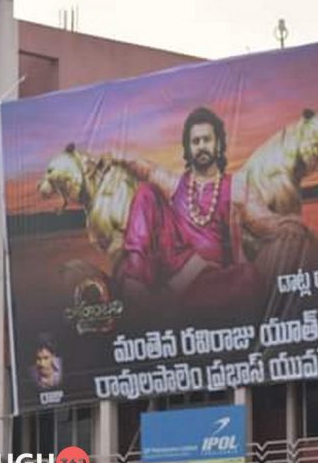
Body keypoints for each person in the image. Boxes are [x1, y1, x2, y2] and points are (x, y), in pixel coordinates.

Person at [113, 106, 289, 310]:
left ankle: (174, 304)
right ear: (188, 149)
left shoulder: (236, 187)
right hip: (171, 271)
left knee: (249, 279)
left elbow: (265, 223)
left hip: (210, 280)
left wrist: (290, 226)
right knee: (146, 192)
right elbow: (146, 169)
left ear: (218, 144)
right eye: (195, 141)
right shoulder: (176, 184)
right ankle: (135, 285)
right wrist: (117, 157)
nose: (201, 146)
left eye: (207, 140)